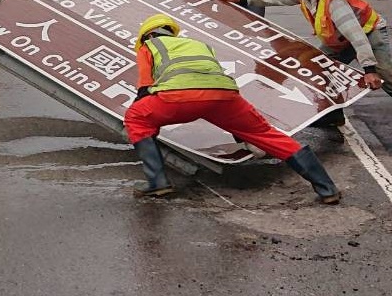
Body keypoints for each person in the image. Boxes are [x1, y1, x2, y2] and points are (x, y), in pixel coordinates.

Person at [124, 14, 341, 203]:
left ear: (148, 35)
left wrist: (142, 112)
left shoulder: (149, 46)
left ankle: (157, 183)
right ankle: (326, 187)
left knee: (136, 118)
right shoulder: (198, 44)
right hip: (224, 96)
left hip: (178, 97)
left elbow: (145, 86)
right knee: (265, 134)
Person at [218, 0, 392, 98]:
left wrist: (369, 70)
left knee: (385, 75)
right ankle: (332, 114)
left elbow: (357, 36)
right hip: (340, 39)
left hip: (369, 33)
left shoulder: (334, 0)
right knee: (318, 68)